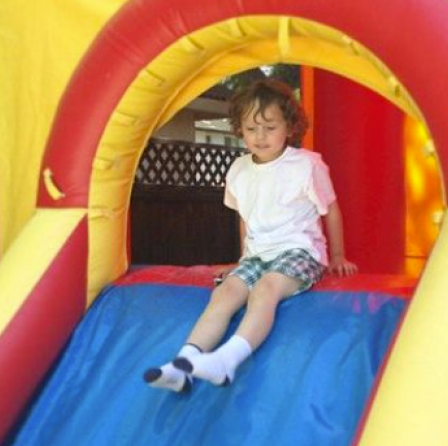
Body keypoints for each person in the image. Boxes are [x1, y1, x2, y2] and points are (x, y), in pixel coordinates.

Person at [144, 79, 357, 393]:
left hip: (300, 251)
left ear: (289, 126)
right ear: (239, 129)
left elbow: (331, 209)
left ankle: (227, 360)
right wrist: (242, 259)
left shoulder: (305, 165)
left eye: (269, 127)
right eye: (251, 128)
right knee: (225, 292)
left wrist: (337, 256)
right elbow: (245, 217)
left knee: (266, 288)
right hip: (258, 254)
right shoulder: (238, 169)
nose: (260, 137)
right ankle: (183, 364)